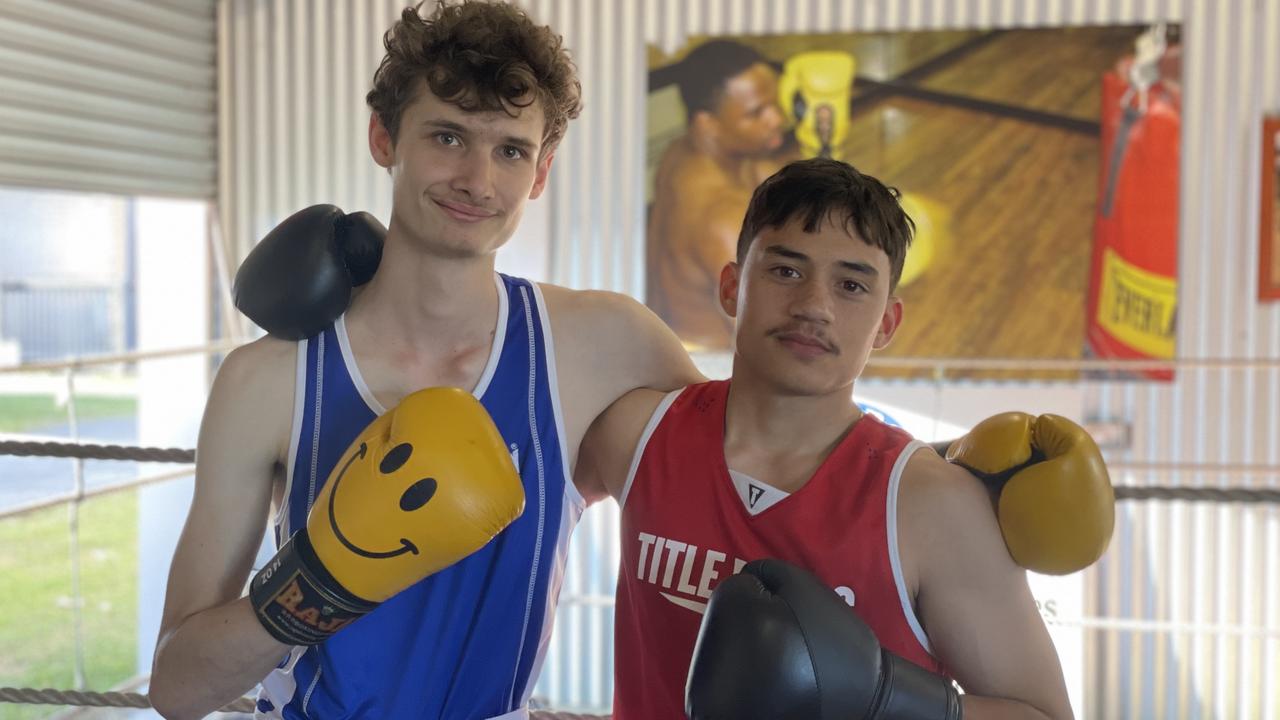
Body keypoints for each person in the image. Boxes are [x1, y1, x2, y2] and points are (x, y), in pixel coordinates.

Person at [147, 3, 702, 718]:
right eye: (448, 136)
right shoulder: (271, 379)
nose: (478, 180)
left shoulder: (603, 345)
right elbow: (178, 689)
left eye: (510, 150)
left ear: (541, 173)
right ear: (384, 137)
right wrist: (319, 582)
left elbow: (743, 471)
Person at [576, 158, 1112, 718]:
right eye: (786, 271)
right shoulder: (635, 434)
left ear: (886, 323)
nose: (814, 306)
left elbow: (1043, 713)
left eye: (852, 285)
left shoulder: (930, 506)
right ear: (733, 288)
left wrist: (888, 698)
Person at [647, 40, 794, 350]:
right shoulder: (725, 219)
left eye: (775, 103)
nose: (777, 119)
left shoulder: (682, 153)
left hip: (668, 334)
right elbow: (769, 349)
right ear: (709, 125)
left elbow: (761, 172)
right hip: (709, 367)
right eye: (757, 113)